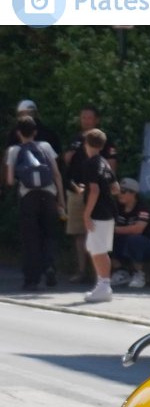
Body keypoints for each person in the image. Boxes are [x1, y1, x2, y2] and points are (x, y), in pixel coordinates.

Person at [5, 114, 64, 289]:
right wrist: (61, 200)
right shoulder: (45, 146)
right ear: (35, 132)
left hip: (27, 196)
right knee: (49, 234)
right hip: (48, 194)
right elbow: (56, 174)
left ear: (18, 133)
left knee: (30, 238)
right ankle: (50, 266)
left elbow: (9, 180)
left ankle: (32, 278)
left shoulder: (14, 151)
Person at [62, 106, 118, 284]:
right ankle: (84, 272)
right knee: (80, 234)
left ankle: (100, 278)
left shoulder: (101, 149)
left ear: (97, 120)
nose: (85, 121)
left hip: (96, 197)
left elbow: (102, 182)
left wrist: (88, 212)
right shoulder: (76, 140)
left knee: (96, 240)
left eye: (89, 118)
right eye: (83, 117)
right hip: (77, 191)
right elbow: (66, 161)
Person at [78, 128, 117, 303]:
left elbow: (94, 190)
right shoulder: (104, 162)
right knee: (100, 249)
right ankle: (103, 285)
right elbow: (115, 188)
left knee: (96, 250)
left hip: (97, 212)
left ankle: (104, 286)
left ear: (87, 143)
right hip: (109, 211)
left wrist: (86, 214)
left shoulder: (90, 163)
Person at [111, 178, 150, 289]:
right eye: (119, 191)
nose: (120, 194)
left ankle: (138, 273)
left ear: (133, 193)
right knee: (105, 238)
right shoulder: (116, 206)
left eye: (124, 191)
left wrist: (114, 229)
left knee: (134, 239)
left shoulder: (143, 208)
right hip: (125, 243)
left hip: (149, 246)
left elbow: (138, 229)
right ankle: (120, 272)